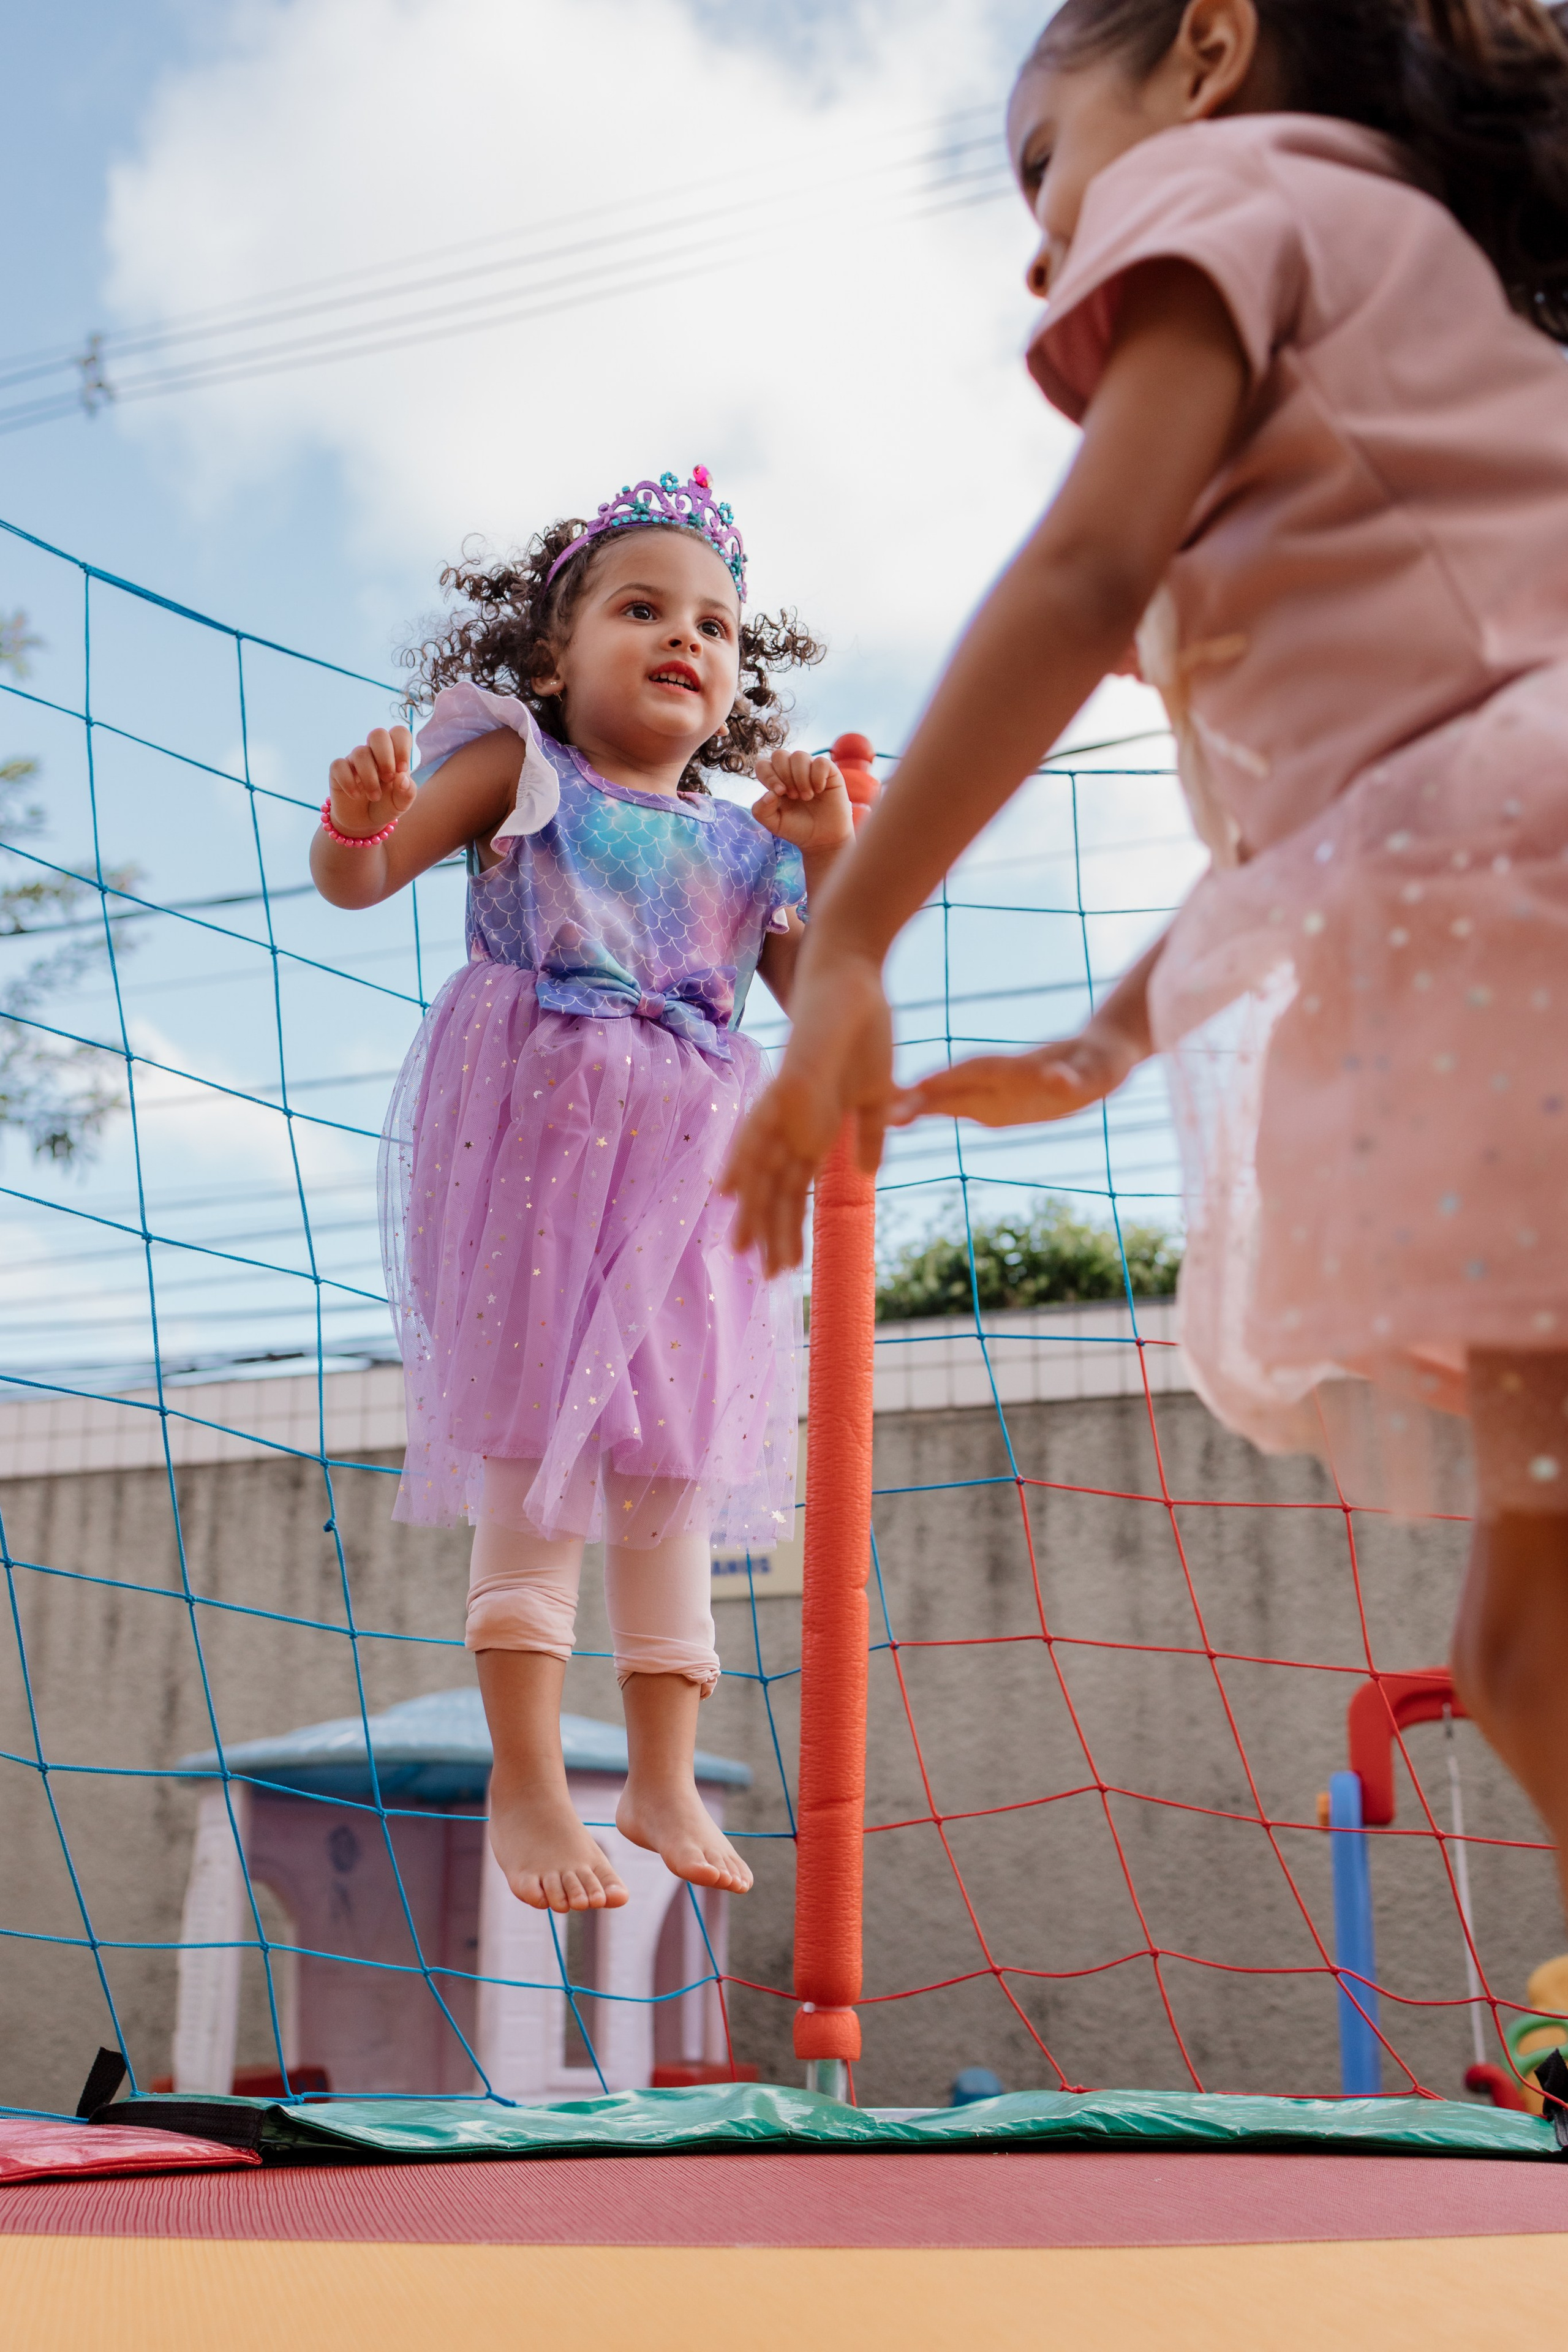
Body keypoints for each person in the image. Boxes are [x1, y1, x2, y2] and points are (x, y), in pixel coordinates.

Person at [722, 1, 1568, 1917]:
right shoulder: (1401, 303)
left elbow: (1081, 572)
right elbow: (1340, 817)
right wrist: (1103, 1046)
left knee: (1536, 1653)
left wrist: (854, 930)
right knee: (1523, 1652)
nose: (1043, 248)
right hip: (1495, 876)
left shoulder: (1230, 182)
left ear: (1205, 47)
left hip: (1515, 906)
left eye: (1044, 165)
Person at [312, 468, 850, 1913]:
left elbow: (827, 993)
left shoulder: (750, 845)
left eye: (715, 626)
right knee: (537, 1456)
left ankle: (665, 1771)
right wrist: (360, 823)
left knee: (674, 1459)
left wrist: (829, 852)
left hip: (690, 1186)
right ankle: (530, 1777)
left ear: (737, 677)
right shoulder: (520, 770)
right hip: (542, 1171)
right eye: (642, 608)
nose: (686, 638)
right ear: (556, 655)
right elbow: (359, 886)